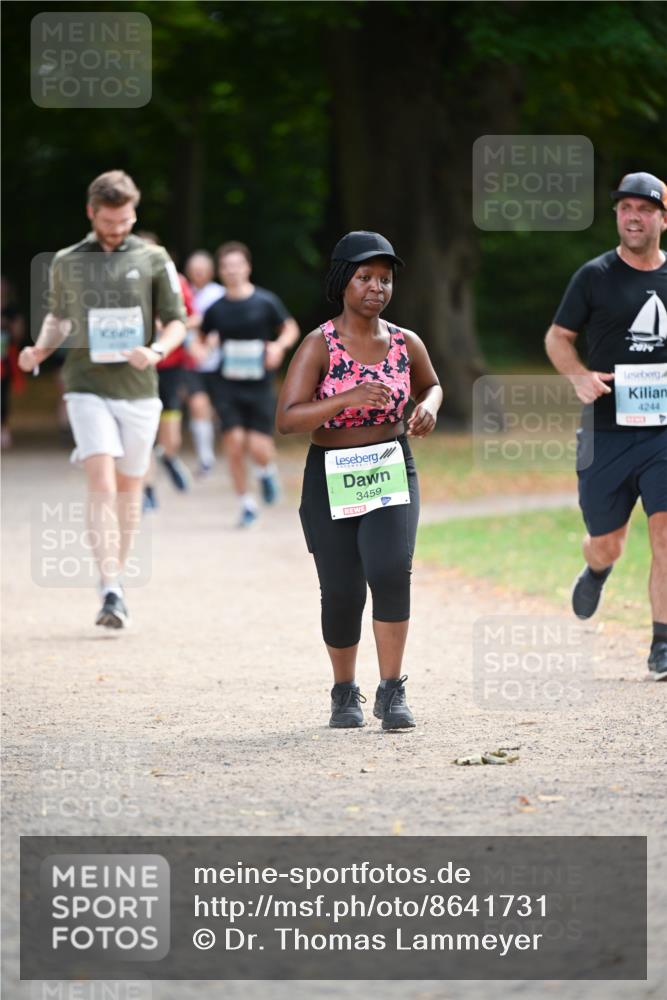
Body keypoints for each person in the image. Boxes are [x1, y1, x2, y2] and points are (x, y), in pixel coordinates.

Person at [276, 231, 443, 728]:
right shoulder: (319, 344)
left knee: (391, 569)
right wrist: (345, 400)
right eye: (365, 277)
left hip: (391, 466)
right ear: (342, 280)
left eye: (385, 279)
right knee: (343, 590)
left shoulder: (405, 342)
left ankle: (392, 692)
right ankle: (344, 692)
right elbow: (287, 419)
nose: (376, 287)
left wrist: (428, 407)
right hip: (330, 474)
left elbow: (431, 385)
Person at [18, 170, 186, 628]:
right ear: (92, 213)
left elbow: (177, 322)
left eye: (126, 221)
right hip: (85, 384)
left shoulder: (154, 257)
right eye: (110, 221)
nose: (117, 229)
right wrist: (40, 347)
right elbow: (58, 317)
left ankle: (118, 578)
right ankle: (109, 585)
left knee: (131, 487)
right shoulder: (68, 261)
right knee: (102, 481)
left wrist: (155, 351)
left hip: (138, 391)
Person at [545, 171, 667, 681]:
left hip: (664, 433)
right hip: (607, 432)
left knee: (664, 536)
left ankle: (662, 642)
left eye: (643, 209)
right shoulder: (594, 276)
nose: (632, 217)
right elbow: (557, 337)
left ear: (662, 217)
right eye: (624, 209)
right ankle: (597, 567)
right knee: (607, 539)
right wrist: (578, 376)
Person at [202, 241, 300, 527]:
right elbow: (202, 337)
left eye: (237, 266)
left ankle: (266, 471)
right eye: (226, 267)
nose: (232, 271)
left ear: (247, 267)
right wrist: (204, 344)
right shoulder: (216, 308)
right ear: (220, 271)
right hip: (227, 384)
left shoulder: (265, 301)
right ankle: (246, 503)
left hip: (258, 384)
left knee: (258, 446)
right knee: (233, 443)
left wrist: (279, 347)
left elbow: (290, 327)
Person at [135, 231, 195, 509]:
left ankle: (168, 457)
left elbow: (192, 317)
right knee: (142, 433)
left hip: (171, 366)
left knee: (170, 436)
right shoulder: (124, 285)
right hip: (137, 369)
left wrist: (168, 327)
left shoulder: (177, 282)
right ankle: (147, 491)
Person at [184, 250, 225, 475]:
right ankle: (205, 457)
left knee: (217, 408)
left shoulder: (219, 294)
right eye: (194, 270)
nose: (198, 274)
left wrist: (207, 347)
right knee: (198, 405)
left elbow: (221, 326)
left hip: (218, 361)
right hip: (193, 362)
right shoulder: (184, 293)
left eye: (202, 270)